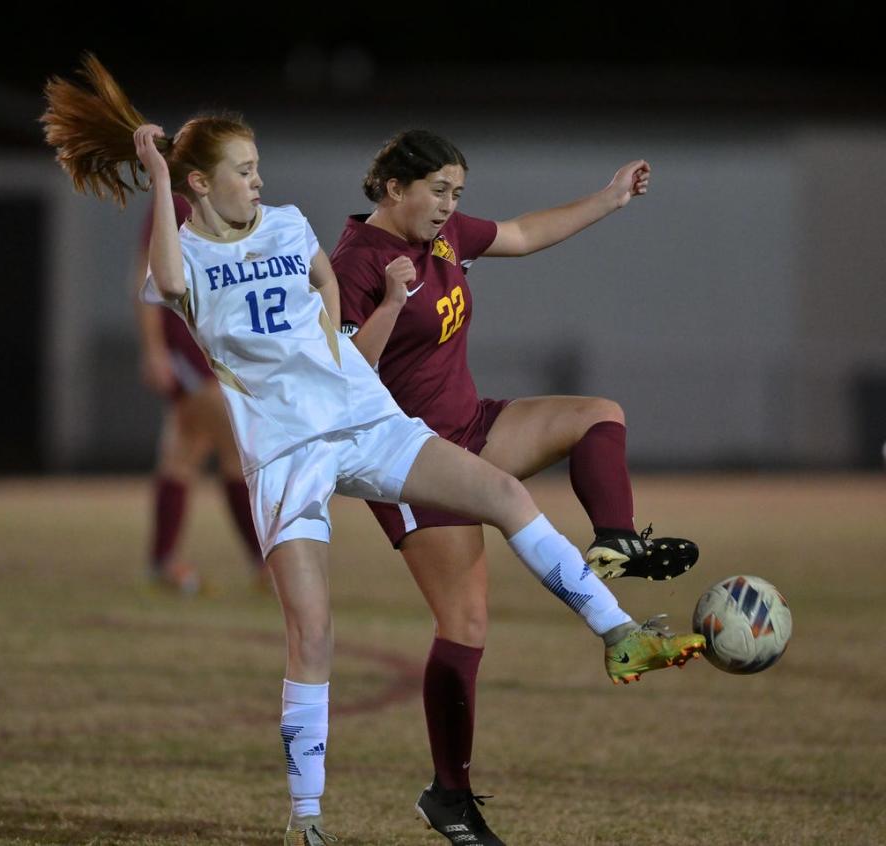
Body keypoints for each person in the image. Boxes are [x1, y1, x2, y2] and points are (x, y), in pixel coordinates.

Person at [41, 56, 705, 846]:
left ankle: (618, 631)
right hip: (288, 451)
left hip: (365, 418)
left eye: (258, 168)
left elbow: (325, 287)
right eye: (244, 172)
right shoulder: (187, 259)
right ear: (197, 188)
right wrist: (155, 173)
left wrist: (342, 335)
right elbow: (168, 273)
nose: (258, 181)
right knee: (312, 633)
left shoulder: (288, 221)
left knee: (506, 496)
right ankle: (307, 821)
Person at [330, 129, 701, 845]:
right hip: (411, 458)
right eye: (437, 191)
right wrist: (387, 305)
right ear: (392, 188)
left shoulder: (440, 239)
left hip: (472, 425)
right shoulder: (356, 262)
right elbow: (343, 381)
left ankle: (617, 543)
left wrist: (610, 198)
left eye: (457, 194)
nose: (449, 207)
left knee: (598, 416)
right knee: (465, 626)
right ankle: (451, 795)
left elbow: (524, 233)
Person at [132, 193, 265, 593]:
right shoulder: (176, 203)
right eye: (244, 164)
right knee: (236, 448)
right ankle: (266, 565)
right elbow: (146, 275)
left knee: (187, 452)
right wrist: (155, 349)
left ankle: (163, 563)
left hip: (220, 351)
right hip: (188, 350)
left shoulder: (238, 204)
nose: (253, 175)